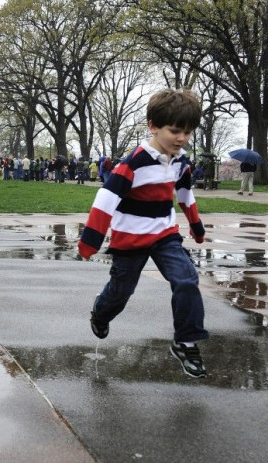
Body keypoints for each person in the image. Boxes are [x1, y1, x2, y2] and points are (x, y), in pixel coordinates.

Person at [78, 88, 209, 379]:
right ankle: (101, 312)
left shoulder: (180, 162)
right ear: (153, 126)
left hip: (165, 234)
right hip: (131, 239)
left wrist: (196, 226)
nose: (182, 138)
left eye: (188, 132)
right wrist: (90, 241)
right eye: (175, 131)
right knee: (121, 292)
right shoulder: (133, 163)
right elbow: (105, 201)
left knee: (187, 279)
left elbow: (185, 194)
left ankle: (186, 342)